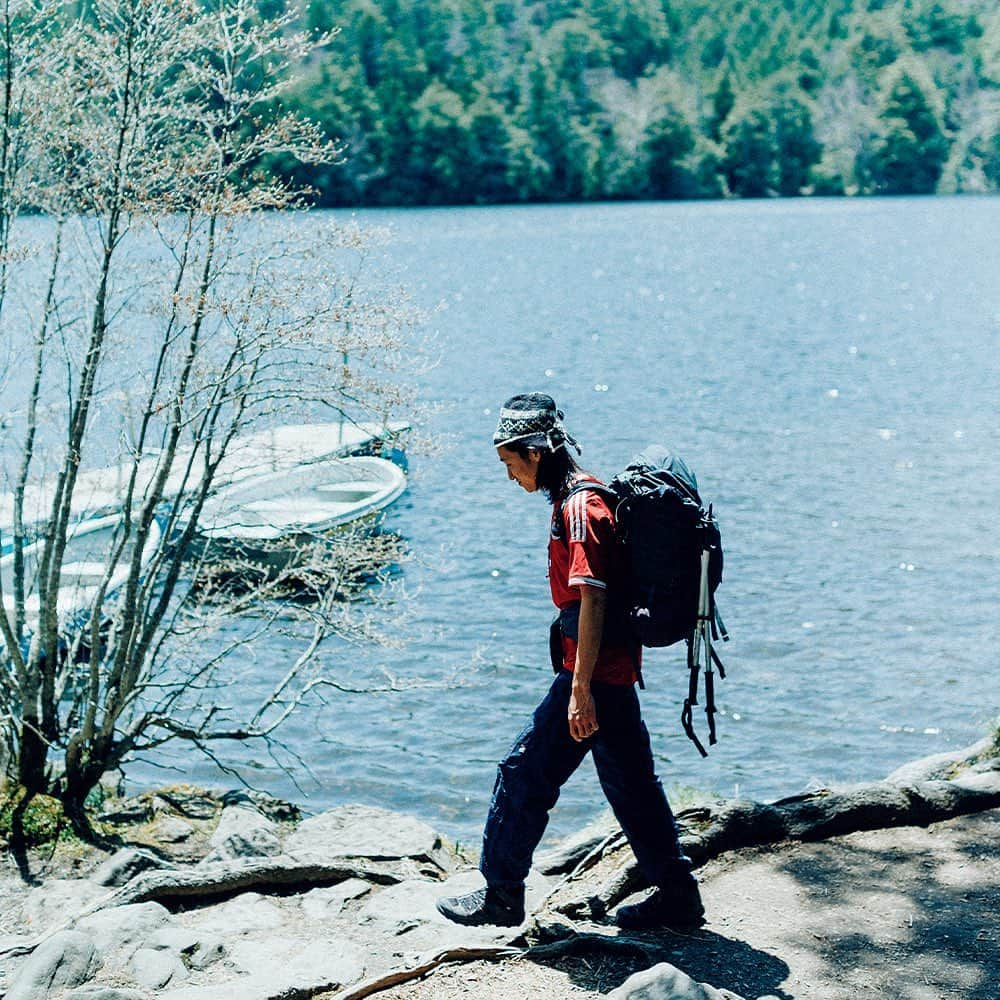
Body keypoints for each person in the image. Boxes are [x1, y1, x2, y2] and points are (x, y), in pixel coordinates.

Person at [436, 392, 704, 930]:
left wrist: (579, 689)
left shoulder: (581, 508)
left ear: (535, 453)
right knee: (632, 785)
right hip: (609, 670)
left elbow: (593, 598)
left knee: (522, 774)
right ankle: (678, 894)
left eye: (510, 463)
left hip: (594, 674)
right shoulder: (586, 496)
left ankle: (502, 895)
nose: (510, 476)